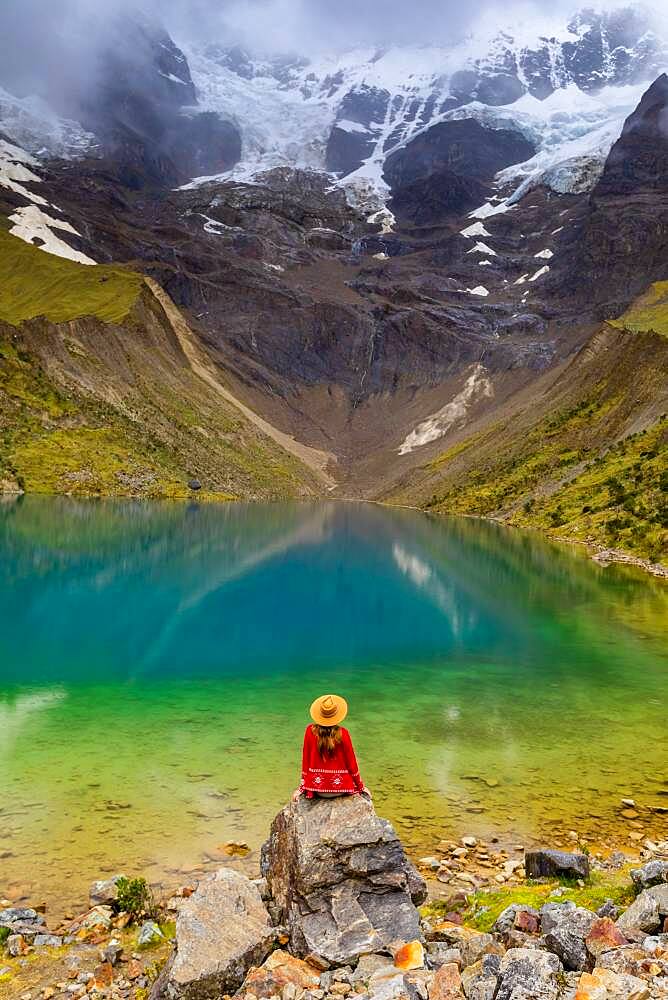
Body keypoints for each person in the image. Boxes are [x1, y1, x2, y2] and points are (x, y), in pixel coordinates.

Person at [293, 693, 370, 800]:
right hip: (340, 789)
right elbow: (351, 763)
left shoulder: (309, 731)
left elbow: (305, 760)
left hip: (317, 789)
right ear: (337, 715)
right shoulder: (343, 733)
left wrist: (302, 787)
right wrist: (361, 786)